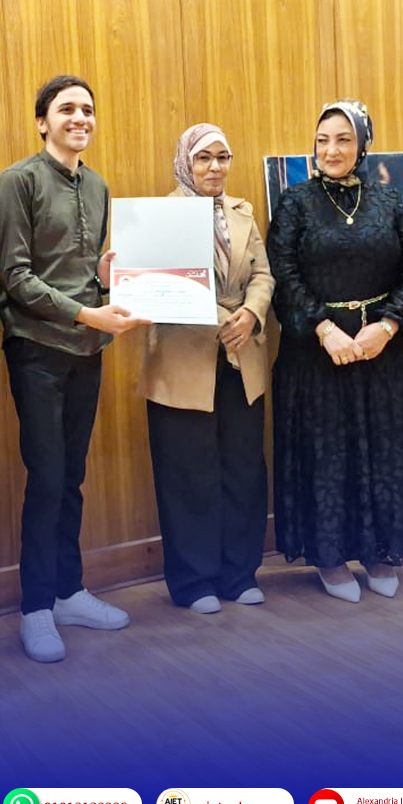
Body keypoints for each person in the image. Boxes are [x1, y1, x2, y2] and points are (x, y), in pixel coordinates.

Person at [0, 75, 147, 662]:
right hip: (37, 349)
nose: (80, 118)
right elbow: (16, 277)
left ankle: (67, 592)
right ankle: (35, 608)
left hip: (87, 350)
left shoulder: (99, 185)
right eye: (66, 109)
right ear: (42, 121)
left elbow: (83, 272)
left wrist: (107, 279)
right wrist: (87, 313)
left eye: (87, 109)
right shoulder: (18, 181)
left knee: (73, 477)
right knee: (47, 477)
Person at [267, 100, 403, 602]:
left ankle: (379, 549)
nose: (331, 150)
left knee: (384, 452)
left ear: (363, 145)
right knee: (328, 457)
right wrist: (324, 330)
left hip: (381, 354)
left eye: (343, 139)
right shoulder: (295, 203)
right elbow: (283, 274)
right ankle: (330, 556)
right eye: (322, 140)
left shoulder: (389, 201)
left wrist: (387, 326)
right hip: (317, 357)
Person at [139, 124, 275, 613]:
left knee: (243, 469)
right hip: (181, 364)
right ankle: (194, 582)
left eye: (223, 157)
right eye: (204, 158)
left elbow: (263, 274)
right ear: (185, 163)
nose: (215, 167)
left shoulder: (243, 212)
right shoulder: (162, 216)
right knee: (187, 475)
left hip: (242, 359)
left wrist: (251, 313)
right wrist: (223, 319)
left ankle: (239, 574)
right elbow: (164, 282)